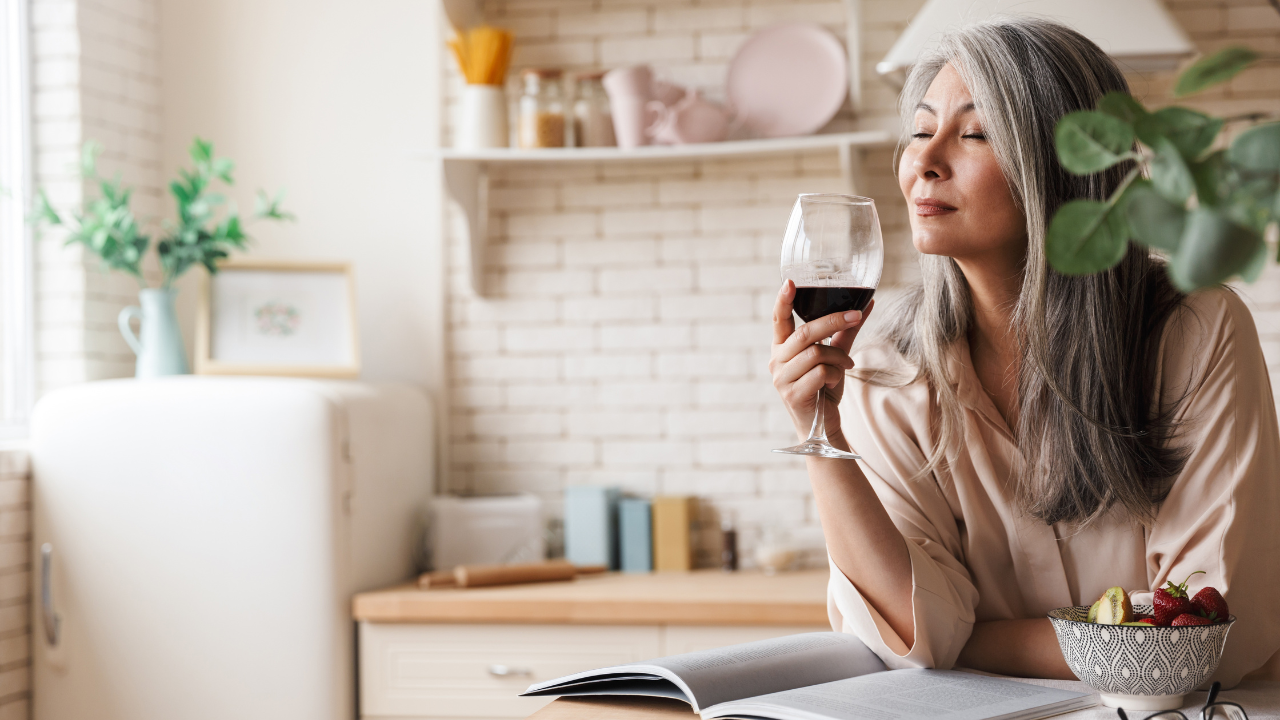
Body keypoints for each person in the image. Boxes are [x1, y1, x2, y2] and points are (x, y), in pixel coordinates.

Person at [768, 17, 1280, 686]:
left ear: (1069, 170)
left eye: (974, 133)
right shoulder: (887, 366)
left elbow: (1201, 640)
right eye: (920, 132)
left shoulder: (1195, 332)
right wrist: (822, 434)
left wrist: (969, 640)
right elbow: (913, 632)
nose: (925, 161)